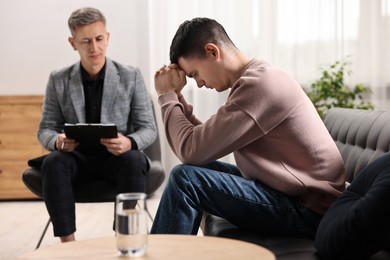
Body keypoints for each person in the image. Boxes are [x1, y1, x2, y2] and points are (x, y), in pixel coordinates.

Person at [151, 17, 346, 238]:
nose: (199, 83)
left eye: (195, 73)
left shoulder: (259, 86)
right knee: (194, 173)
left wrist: (166, 97)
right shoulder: (256, 77)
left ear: (212, 52)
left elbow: (191, 150)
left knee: (185, 180)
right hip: (292, 195)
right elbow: (204, 143)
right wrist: (177, 99)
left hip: (308, 210)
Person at [38, 7, 157, 242]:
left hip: (117, 159)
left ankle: (126, 239)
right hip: (76, 160)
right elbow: (45, 129)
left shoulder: (131, 76)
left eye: (99, 39)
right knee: (53, 161)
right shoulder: (58, 79)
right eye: (86, 41)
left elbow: (149, 128)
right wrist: (58, 141)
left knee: (134, 159)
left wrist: (129, 141)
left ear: (108, 37)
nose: (95, 48)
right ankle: (68, 246)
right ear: (73, 43)